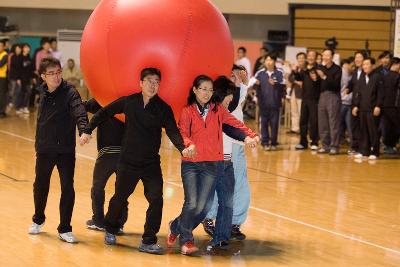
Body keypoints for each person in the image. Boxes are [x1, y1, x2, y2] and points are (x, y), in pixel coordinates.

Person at [80, 68, 188, 255]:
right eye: (149, 81)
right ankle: (111, 228)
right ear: (140, 83)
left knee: (156, 199)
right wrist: (88, 130)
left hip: (151, 163)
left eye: (156, 82)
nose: (153, 85)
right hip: (128, 162)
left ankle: (148, 240)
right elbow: (104, 113)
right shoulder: (129, 102)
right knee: (119, 198)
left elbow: (172, 130)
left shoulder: (163, 108)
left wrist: (182, 148)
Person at [167, 75, 257, 255]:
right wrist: (188, 144)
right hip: (191, 164)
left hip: (212, 164)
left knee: (203, 207)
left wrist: (249, 135)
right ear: (195, 90)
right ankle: (187, 241)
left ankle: (176, 226)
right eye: (203, 89)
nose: (207, 93)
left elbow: (234, 124)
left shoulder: (218, 110)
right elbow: (182, 132)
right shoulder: (187, 111)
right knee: (192, 203)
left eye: (210, 90)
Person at [28, 57, 89, 243]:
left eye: (58, 72)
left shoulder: (70, 92)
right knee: (40, 186)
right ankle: (38, 219)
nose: (56, 77)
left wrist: (84, 130)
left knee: (67, 188)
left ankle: (65, 228)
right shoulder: (42, 91)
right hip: (45, 148)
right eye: (52, 73)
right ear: (43, 76)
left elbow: (79, 110)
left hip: (65, 150)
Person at [83, 98, 128, 232]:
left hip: (106, 154)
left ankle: (98, 220)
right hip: (126, 154)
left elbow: (82, 106)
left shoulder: (101, 99)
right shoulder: (130, 101)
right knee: (122, 191)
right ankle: (118, 223)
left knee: (97, 188)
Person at [352, 57, 383, 160]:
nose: (364, 66)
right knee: (363, 131)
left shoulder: (377, 77)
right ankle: (364, 151)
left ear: (373, 66)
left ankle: (375, 152)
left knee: (373, 131)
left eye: (367, 64)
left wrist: (378, 105)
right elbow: (358, 93)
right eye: (363, 64)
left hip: (373, 108)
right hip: (362, 108)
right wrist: (356, 105)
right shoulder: (362, 77)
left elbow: (381, 93)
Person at [254, 53, 286, 150]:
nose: (268, 62)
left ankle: (274, 142)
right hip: (263, 103)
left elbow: (283, 86)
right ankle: (265, 142)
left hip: (275, 103)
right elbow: (255, 87)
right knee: (263, 123)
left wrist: (276, 84)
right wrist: (256, 96)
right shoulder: (259, 73)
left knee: (274, 124)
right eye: (266, 60)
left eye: (270, 60)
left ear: (274, 61)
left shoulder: (280, 73)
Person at [316, 48, 342, 155]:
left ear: (332, 56)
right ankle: (325, 145)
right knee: (323, 122)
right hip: (322, 96)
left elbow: (336, 85)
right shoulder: (320, 67)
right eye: (324, 55)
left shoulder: (337, 69)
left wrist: (324, 76)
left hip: (333, 95)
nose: (325, 57)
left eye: (327, 55)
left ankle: (334, 146)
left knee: (333, 122)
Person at [295, 50, 320, 150]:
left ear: (316, 57)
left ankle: (314, 142)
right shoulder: (304, 69)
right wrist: (295, 71)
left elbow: (320, 83)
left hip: (315, 99)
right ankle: (303, 142)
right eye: (309, 55)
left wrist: (316, 79)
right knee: (303, 121)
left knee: (314, 122)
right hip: (305, 98)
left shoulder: (318, 68)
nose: (310, 57)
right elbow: (299, 79)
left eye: (313, 56)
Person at [346, 50, 366, 155]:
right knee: (354, 126)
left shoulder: (367, 72)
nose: (357, 59)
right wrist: (348, 89)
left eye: (360, 57)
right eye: (356, 57)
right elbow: (353, 84)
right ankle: (355, 147)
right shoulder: (355, 72)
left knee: (362, 126)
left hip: (363, 104)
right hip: (354, 102)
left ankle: (363, 148)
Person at [381, 57, 400, 154]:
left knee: (388, 127)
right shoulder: (397, 76)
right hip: (394, 106)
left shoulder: (384, 76)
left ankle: (388, 147)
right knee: (396, 126)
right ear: (396, 64)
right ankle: (390, 146)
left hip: (384, 106)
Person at [288, 52, 306, 134]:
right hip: (294, 91)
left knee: (301, 111)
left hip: (302, 92)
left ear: (305, 59)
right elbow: (290, 77)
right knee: (294, 110)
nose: (301, 59)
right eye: (299, 58)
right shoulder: (296, 68)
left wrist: (299, 82)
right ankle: (295, 128)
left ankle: (302, 129)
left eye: (302, 58)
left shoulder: (306, 69)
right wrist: (296, 81)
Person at [15, 43, 35, 114]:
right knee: (20, 93)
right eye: (25, 47)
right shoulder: (19, 57)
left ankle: (25, 107)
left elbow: (31, 69)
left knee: (28, 92)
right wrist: (17, 78)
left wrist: (33, 78)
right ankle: (18, 107)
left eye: (28, 47)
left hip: (28, 79)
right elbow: (17, 69)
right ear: (23, 49)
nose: (27, 49)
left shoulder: (29, 58)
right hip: (21, 79)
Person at [339, 59, 353, 146]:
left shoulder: (353, 74)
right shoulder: (342, 73)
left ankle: (352, 145)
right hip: (342, 102)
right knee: (341, 125)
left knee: (349, 125)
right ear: (346, 65)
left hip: (349, 103)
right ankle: (340, 141)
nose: (352, 68)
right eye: (351, 65)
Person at [8, 44, 22, 109]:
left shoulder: (20, 57)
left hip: (18, 77)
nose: (18, 50)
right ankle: (9, 102)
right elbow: (11, 67)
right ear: (15, 49)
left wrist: (18, 78)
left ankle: (13, 102)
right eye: (17, 49)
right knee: (12, 90)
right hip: (12, 76)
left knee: (18, 90)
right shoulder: (12, 56)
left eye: (19, 49)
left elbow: (20, 68)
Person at [0, 40, 8, 118]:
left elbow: (1, 64)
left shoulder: (5, 55)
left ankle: (2, 111)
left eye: (1, 46)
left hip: (2, 77)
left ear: (4, 47)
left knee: (2, 95)